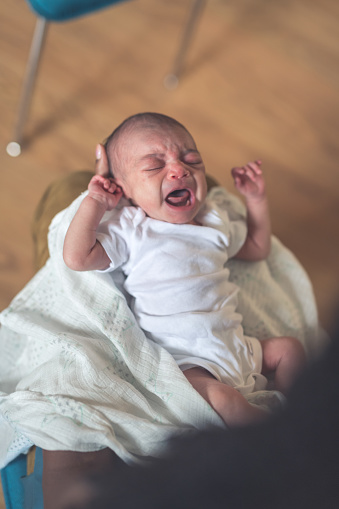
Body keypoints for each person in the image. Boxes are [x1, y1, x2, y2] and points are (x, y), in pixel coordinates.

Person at [63, 112, 306, 427]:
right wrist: (95, 201)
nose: (180, 170)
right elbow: (77, 257)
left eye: (192, 161)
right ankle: (274, 436)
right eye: (154, 165)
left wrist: (255, 199)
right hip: (190, 364)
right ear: (123, 190)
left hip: (239, 348)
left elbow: (258, 249)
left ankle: (295, 414)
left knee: (290, 349)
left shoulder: (214, 221)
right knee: (226, 401)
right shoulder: (133, 229)